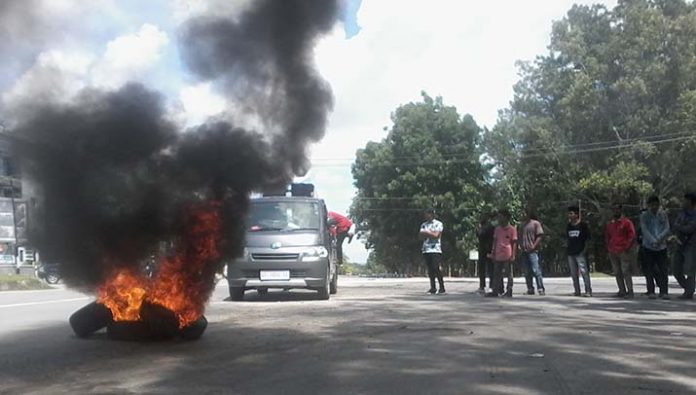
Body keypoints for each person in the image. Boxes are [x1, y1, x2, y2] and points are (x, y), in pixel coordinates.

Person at [639, 196, 671, 299]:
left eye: (656, 204)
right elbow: (645, 230)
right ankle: (651, 291)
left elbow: (667, 228)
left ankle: (664, 291)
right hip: (648, 246)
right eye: (652, 205)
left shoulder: (663, 214)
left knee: (663, 270)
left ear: (659, 205)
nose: (654, 207)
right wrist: (653, 240)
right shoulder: (644, 216)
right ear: (648, 205)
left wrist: (659, 239)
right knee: (649, 270)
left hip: (661, 246)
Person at [605, 203, 637, 298]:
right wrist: (609, 247)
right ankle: (621, 290)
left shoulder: (626, 222)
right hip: (613, 250)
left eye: (617, 209)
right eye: (613, 209)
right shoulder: (610, 223)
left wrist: (627, 247)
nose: (615, 211)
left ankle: (630, 291)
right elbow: (607, 236)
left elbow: (632, 236)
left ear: (621, 210)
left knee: (625, 271)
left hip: (623, 250)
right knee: (617, 271)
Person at [486, 209, 517, 298]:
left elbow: (514, 243)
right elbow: (495, 241)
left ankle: (509, 290)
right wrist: (493, 252)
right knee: (496, 273)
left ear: (506, 218)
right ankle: (495, 290)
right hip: (498, 254)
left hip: (508, 254)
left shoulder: (512, 229)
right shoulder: (497, 229)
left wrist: (513, 255)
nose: (499, 219)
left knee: (508, 274)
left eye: (501, 217)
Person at [672, 193, 696, 300]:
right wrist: (680, 227)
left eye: (685, 200)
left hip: (691, 244)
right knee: (676, 268)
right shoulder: (681, 213)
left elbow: (690, 229)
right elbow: (675, 224)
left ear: (691, 201)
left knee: (690, 269)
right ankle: (688, 288)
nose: (683, 202)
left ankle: (689, 292)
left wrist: (679, 226)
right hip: (680, 243)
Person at [566, 206, 592, 297]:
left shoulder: (583, 226)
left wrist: (584, 250)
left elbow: (588, 239)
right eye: (568, 213)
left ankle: (588, 291)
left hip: (580, 252)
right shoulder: (569, 226)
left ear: (576, 214)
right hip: (571, 253)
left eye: (571, 213)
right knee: (573, 273)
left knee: (584, 272)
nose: (569, 215)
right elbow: (567, 238)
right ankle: (577, 291)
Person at [419, 208, 445, 294]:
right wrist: (429, 233)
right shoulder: (424, 225)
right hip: (426, 249)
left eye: (428, 214)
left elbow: (436, 235)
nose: (426, 215)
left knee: (436, 268)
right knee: (430, 270)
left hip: (435, 249)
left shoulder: (438, 224)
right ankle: (433, 288)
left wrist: (427, 233)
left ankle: (442, 287)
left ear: (432, 214)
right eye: (425, 214)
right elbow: (421, 236)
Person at [520, 208, 545, 295]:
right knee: (527, 271)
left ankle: (540, 288)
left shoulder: (535, 223)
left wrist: (534, 246)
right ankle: (530, 288)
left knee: (536, 269)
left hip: (534, 251)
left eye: (523, 213)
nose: (522, 215)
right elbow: (520, 236)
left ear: (528, 214)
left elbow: (540, 235)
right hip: (524, 250)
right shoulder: (522, 225)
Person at [476, 212, 496, 293]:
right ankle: (484, 285)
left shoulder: (488, 227)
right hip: (484, 249)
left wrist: (478, 228)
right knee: (483, 268)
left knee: (488, 268)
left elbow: (480, 235)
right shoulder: (492, 226)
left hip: (487, 249)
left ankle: (485, 285)